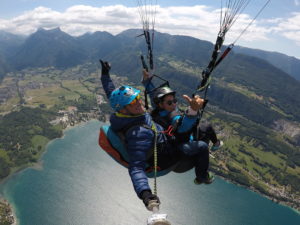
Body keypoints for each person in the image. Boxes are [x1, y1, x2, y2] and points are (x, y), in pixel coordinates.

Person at [99, 60, 211, 210]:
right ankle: (202, 177)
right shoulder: (139, 134)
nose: (138, 103)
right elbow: (136, 168)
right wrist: (146, 195)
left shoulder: (125, 113)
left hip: (161, 138)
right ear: (123, 109)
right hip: (168, 155)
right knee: (202, 145)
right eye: (133, 102)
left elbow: (111, 93)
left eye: (137, 98)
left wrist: (105, 74)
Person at [142, 70, 223, 183]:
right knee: (203, 146)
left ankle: (216, 144)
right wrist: (193, 110)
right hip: (178, 149)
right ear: (160, 104)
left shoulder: (157, 110)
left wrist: (146, 81)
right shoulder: (173, 116)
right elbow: (183, 125)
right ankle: (202, 177)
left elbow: (152, 93)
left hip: (171, 142)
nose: (174, 104)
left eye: (174, 101)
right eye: (170, 102)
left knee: (206, 126)